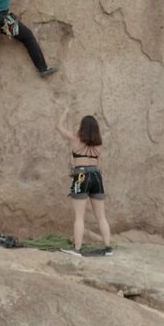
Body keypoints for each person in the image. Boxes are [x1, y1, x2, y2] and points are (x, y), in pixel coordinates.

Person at [55, 107, 112, 257]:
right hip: (96, 176)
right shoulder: (99, 144)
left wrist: (65, 112)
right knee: (101, 216)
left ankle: (77, 249)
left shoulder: (75, 139)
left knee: (79, 216)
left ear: (82, 127)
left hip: (80, 175)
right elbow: (99, 164)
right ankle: (108, 248)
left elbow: (58, 127)